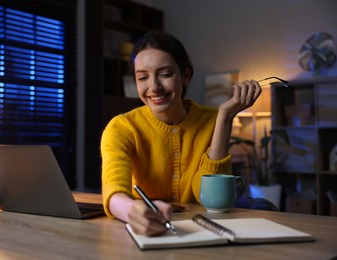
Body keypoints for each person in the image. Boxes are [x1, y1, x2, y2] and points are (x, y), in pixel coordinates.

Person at [101, 32, 262, 236]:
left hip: (201, 229)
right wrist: (133, 211)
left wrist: (224, 118)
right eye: (142, 77)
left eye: (165, 74)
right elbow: (114, 192)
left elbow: (209, 198)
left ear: (185, 76)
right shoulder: (122, 127)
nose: (154, 87)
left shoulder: (212, 120)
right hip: (143, 229)